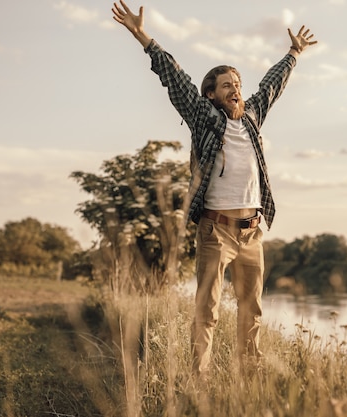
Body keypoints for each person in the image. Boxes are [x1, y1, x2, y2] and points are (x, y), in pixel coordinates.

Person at [112, 1, 317, 377]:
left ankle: (248, 375)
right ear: (212, 95)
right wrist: (142, 36)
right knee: (207, 309)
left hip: (252, 232)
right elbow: (176, 78)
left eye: (237, 83)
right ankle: (199, 379)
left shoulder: (252, 117)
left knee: (251, 309)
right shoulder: (205, 118)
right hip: (215, 231)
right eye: (227, 85)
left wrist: (294, 52)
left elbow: (272, 85)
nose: (235, 89)